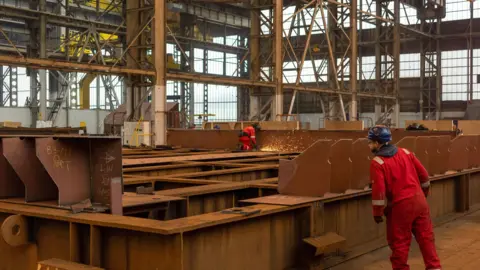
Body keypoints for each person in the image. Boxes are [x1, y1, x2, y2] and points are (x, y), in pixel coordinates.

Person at [368, 125, 441, 270]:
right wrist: (422, 195)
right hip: (420, 203)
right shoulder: (406, 153)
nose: (369, 144)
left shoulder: (377, 163)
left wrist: (377, 212)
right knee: (426, 239)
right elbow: (425, 177)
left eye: (370, 141)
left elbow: (379, 191)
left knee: (399, 244)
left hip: (401, 207)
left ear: (377, 143)